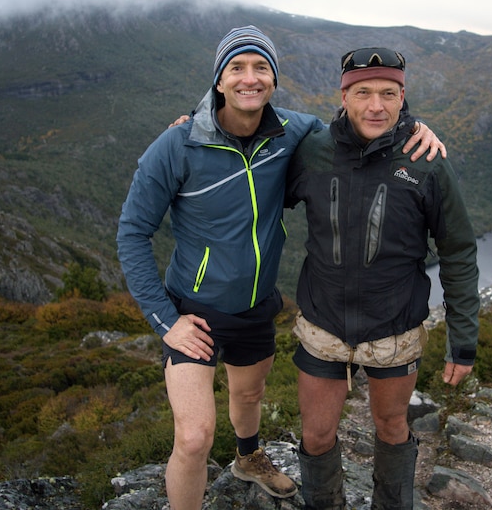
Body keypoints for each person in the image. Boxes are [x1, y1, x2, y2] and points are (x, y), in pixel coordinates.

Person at [117, 27, 445, 510]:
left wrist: (415, 127)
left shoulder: (295, 131)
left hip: (255, 309)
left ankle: (248, 458)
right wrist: (167, 321)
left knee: (248, 400)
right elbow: (132, 233)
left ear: (273, 79)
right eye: (237, 68)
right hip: (193, 313)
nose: (250, 78)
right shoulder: (176, 146)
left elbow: (360, 121)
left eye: (261, 68)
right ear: (219, 80)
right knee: (192, 438)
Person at [285, 47, 480, 509]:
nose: (376, 105)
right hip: (322, 327)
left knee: (392, 428)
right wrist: (194, 126)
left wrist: (463, 339)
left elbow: (457, 250)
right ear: (344, 96)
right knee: (316, 434)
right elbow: (249, 166)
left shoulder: (424, 160)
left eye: (388, 93)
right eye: (364, 92)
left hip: (394, 328)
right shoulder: (312, 151)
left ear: (402, 95)